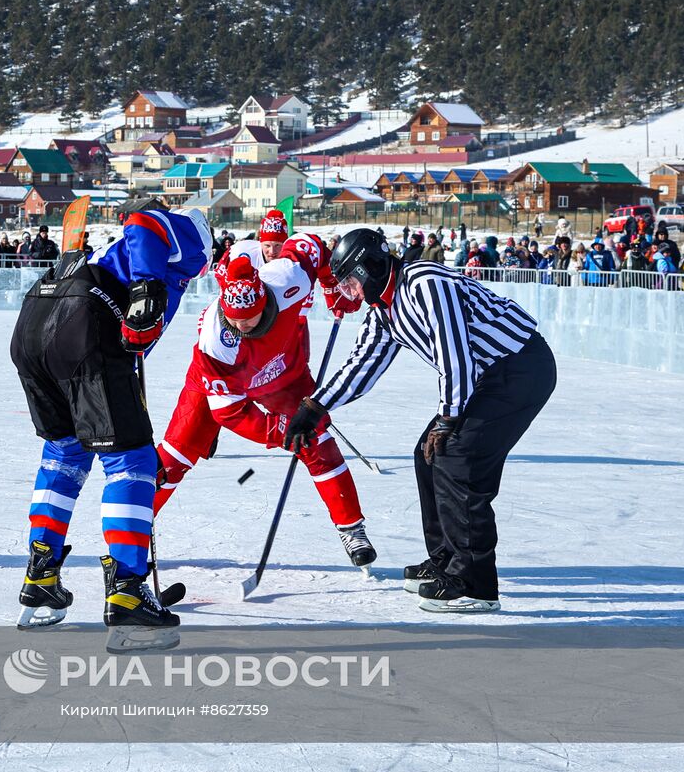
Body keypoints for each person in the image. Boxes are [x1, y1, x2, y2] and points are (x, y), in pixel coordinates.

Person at [283, 228, 557, 613]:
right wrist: (314, 409)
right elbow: (361, 367)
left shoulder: (424, 283)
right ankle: (447, 560)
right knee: (427, 454)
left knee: (457, 458)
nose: (350, 294)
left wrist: (447, 419)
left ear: (371, 267)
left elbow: (454, 353)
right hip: (482, 377)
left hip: (519, 367)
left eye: (350, 282)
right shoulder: (384, 312)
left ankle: (474, 582)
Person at [10, 204, 211, 650]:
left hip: (36, 324)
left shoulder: (116, 257)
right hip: (84, 323)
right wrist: (148, 288)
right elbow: (143, 220)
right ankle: (127, 593)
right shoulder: (191, 238)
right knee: (132, 461)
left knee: (65, 455)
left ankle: (41, 577)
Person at [152, 234, 376, 570]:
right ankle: (133, 531)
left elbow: (311, 244)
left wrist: (335, 287)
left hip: (285, 374)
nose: (241, 326)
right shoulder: (217, 339)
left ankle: (352, 529)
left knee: (318, 442)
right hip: (217, 387)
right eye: (234, 320)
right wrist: (280, 431)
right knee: (172, 460)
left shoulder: (288, 278)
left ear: (264, 304)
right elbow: (229, 412)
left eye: (249, 319)